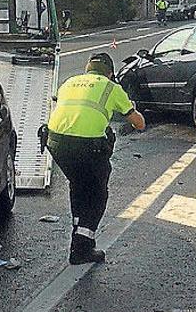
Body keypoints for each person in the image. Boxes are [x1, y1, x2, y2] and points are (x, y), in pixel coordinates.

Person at [46, 53, 146, 264]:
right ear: (110, 73)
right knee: (98, 194)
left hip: (55, 141)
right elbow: (139, 124)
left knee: (78, 184)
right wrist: (131, 110)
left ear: (87, 69)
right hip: (87, 146)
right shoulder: (112, 88)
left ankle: (78, 230)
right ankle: (81, 249)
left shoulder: (69, 82)